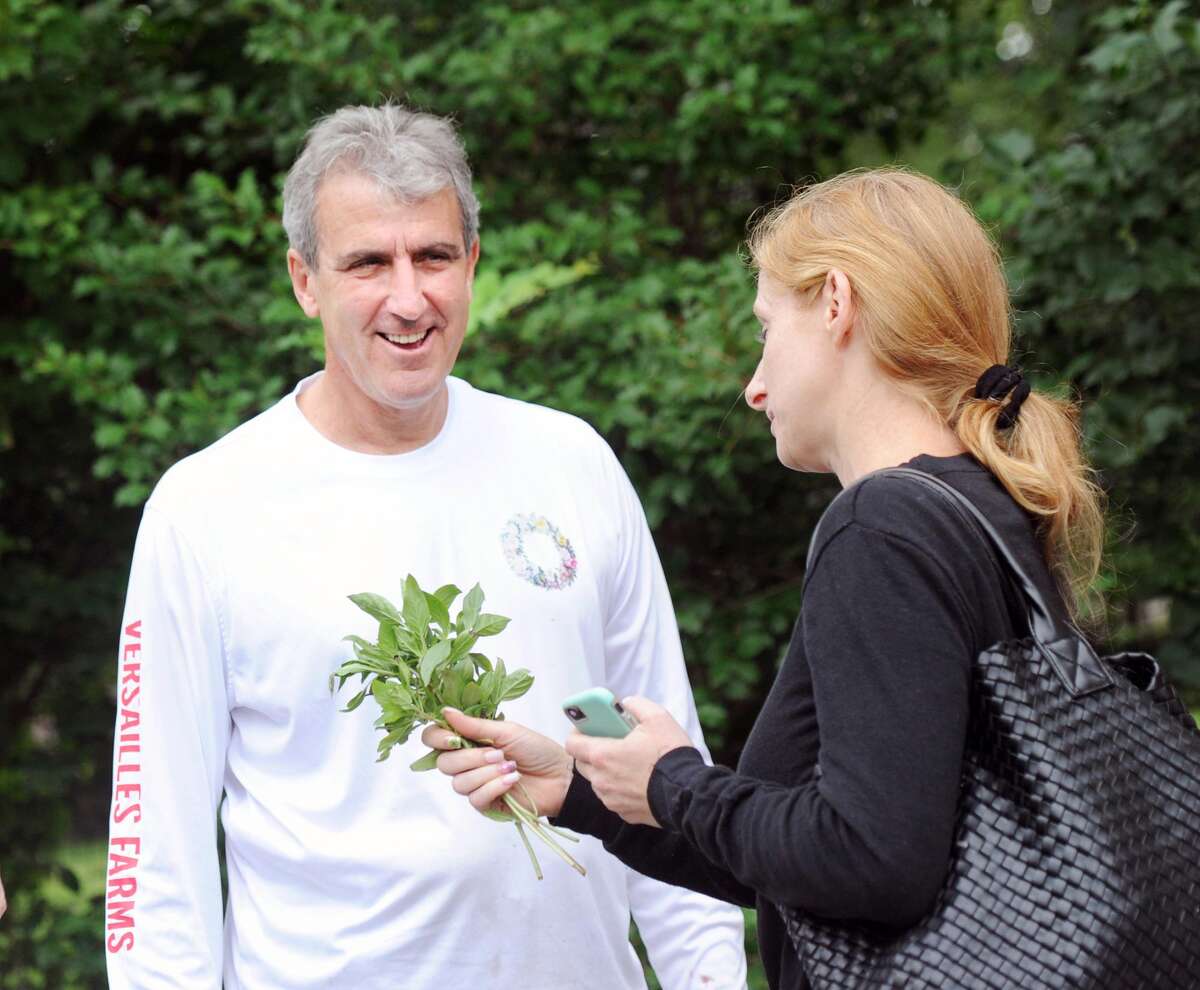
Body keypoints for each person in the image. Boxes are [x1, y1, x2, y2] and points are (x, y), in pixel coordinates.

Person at [102, 104, 747, 989]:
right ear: (304, 280)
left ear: (472, 263)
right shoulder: (206, 508)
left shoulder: (571, 463)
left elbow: (665, 767)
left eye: (434, 257)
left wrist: (709, 980)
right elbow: (155, 857)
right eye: (368, 262)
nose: (409, 298)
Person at [423, 168, 1106, 990]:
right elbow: (796, 859)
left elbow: (875, 862)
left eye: (765, 328)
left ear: (836, 304)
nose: (754, 386)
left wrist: (675, 781)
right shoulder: (984, 510)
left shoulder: (881, 528)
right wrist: (580, 792)